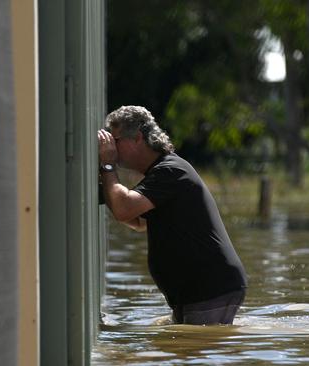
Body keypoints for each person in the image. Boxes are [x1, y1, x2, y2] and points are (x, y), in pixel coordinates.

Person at [97, 105, 248, 325]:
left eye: (115, 141)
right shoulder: (162, 172)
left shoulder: (170, 170)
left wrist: (108, 165)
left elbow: (124, 209)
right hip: (197, 292)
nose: (110, 148)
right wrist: (108, 191)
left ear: (138, 137)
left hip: (209, 289)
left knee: (191, 353)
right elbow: (138, 221)